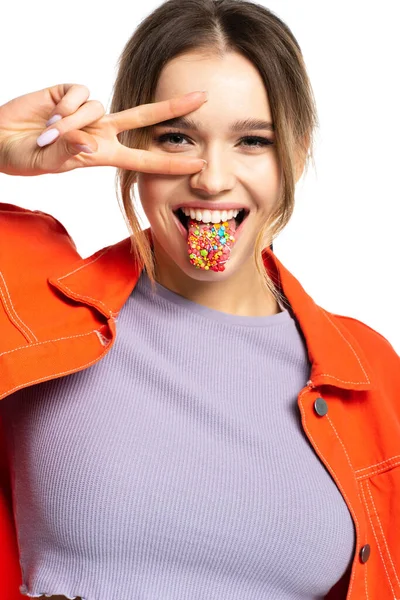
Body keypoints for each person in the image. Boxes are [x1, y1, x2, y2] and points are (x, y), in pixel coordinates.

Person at [0, 0, 399, 599]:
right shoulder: (31, 299)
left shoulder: (368, 370)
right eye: (176, 138)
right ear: (128, 146)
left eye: (252, 141)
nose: (212, 178)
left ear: (297, 150)